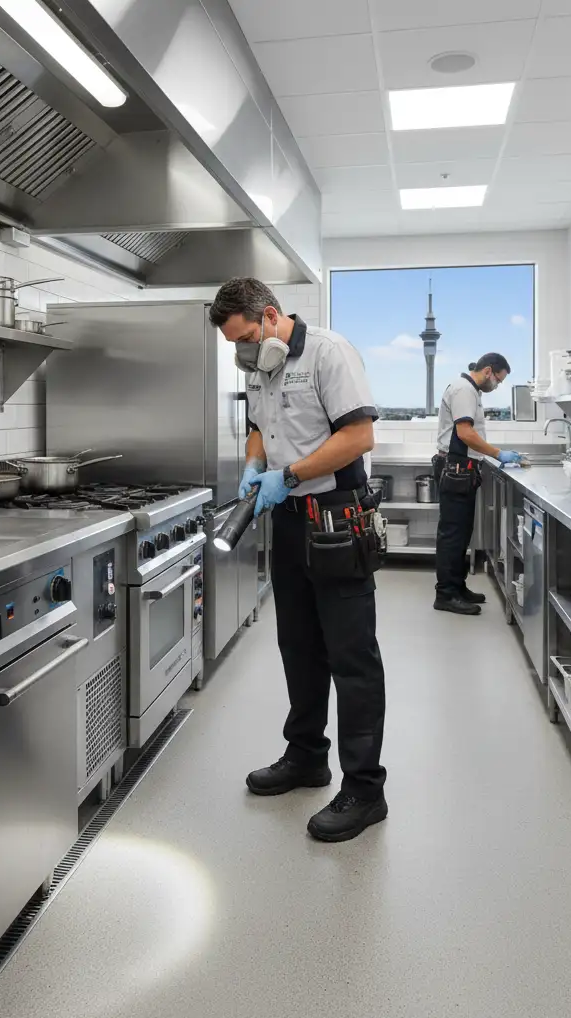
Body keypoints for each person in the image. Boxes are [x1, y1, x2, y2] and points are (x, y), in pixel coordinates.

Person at [210, 277, 387, 843]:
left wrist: (287, 475)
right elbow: (260, 428)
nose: (241, 352)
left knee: (351, 656)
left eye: (244, 338)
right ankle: (307, 754)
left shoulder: (330, 353)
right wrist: (253, 464)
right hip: (287, 519)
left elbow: (358, 438)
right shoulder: (261, 368)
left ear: (268, 315)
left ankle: (365, 788)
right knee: (298, 645)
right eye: (233, 345)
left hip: (335, 515)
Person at [433, 353, 521, 616]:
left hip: (463, 470)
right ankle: (445, 594)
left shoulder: (470, 390)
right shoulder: (464, 390)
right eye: (498, 380)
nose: (497, 386)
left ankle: (457, 587)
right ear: (488, 371)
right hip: (456, 469)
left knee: (461, 533)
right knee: (452, 535)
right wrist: (496, 453)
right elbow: (465, 433)